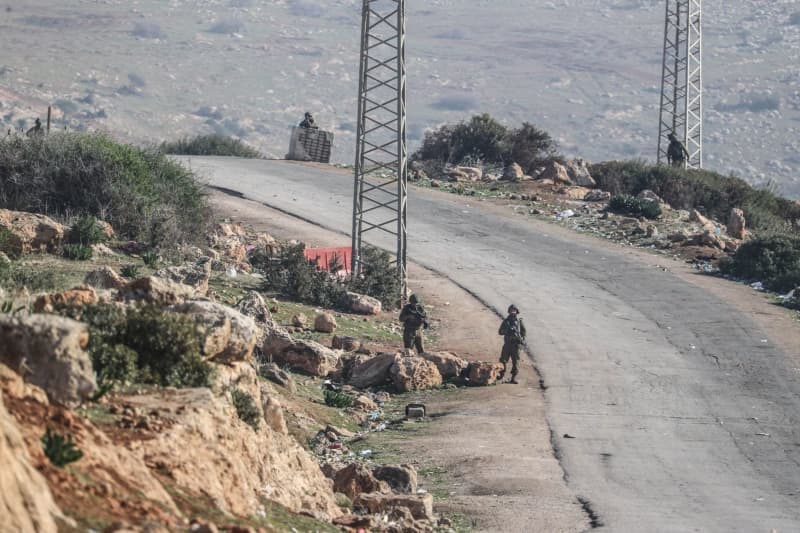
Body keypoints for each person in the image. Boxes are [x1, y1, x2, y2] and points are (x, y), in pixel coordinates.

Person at [498, 304, 526, 384]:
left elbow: (524, 332)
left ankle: (513, 378)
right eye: (511, 310)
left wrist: (522, 339)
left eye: (514, 310)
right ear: (509, 311)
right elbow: (500, 332)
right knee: (503, 360)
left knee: (515, 362)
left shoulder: (519, 321)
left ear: (517, 311)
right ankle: (501, 375)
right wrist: (507, 331)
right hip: (507, 344)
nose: (513, 311)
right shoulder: (506, 321)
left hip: (516, 345)